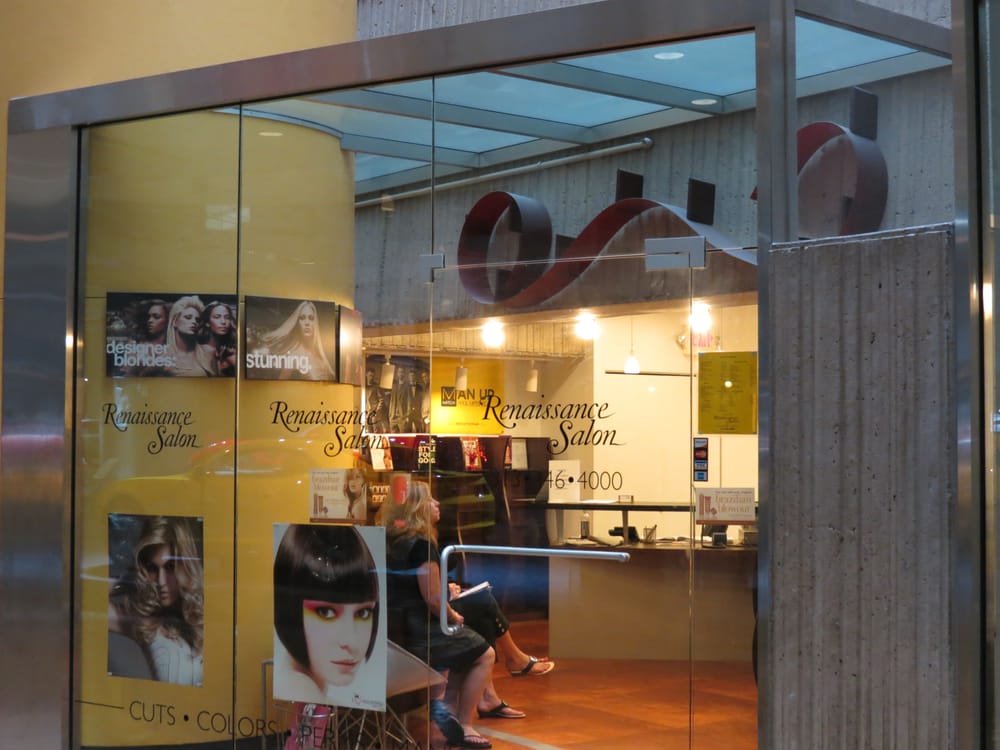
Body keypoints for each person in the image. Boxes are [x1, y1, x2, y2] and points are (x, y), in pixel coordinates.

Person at [380, 480, 523, 749]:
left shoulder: (390, 540)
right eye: (430, 500)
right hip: (421, 632)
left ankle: (453, 711)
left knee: (476, 623)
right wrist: (452, 616)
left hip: (397, 629)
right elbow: (433, 599)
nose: (437, 504)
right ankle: (466, 723)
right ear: (417, 507)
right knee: (485, 654)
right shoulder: (422, 545)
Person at [273, 525, 381, 703]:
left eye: (363, 613)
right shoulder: (302, 691)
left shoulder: (304, 692)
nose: (351, 641)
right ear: (289, 608)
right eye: (325, 612)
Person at [109, 515, 205, 686]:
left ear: (186, 566)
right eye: (153, 568)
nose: (161, 582)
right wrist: (128, 577)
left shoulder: (206, 616)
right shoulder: (144, 623)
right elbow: (88, 600)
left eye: (170, 567)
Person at [258, 300, 335, 380]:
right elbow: (280, 383)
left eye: (311, 318)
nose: (307, 323)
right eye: (302, 318)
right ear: (297, 323)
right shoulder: (295, 356)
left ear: (315, 323)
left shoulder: (320, 354)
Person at [166, 295, 215, 376]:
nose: (194, 322)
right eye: (188, 317)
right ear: (175, 322)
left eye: (197, 320)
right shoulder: (163, 358)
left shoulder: (208, 352)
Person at [198, 300, 237, 376]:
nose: (223, 322)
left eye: (227, 317)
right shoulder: (199, 350)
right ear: (207, 322)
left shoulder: (230, 350)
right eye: (217, 317)